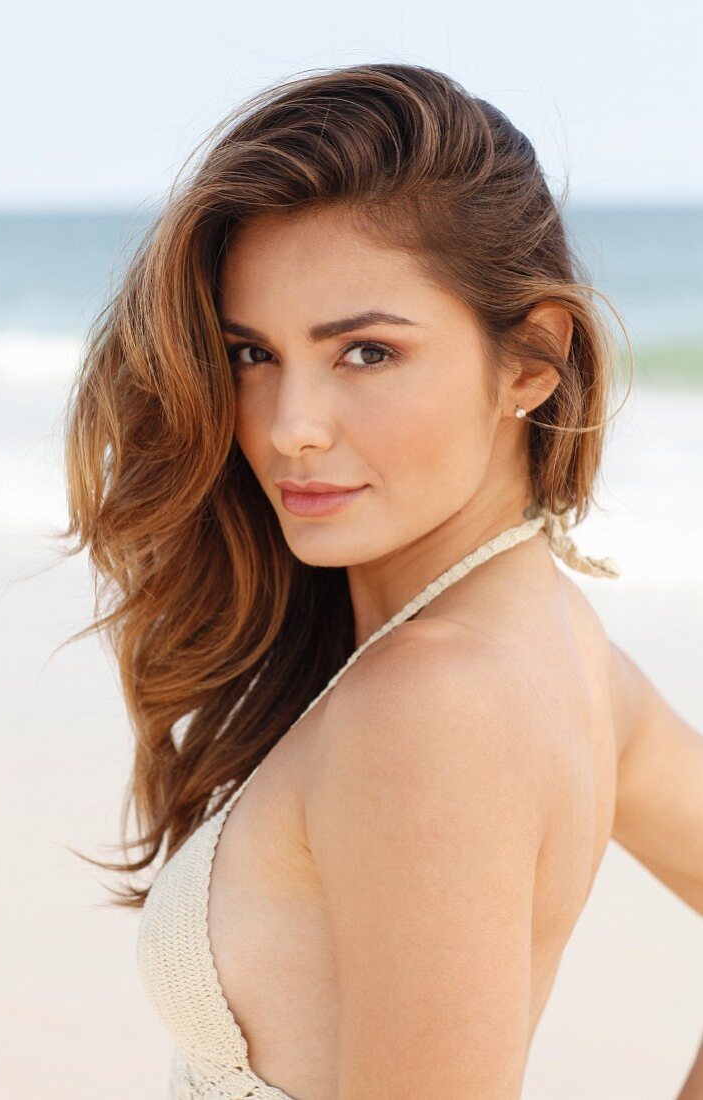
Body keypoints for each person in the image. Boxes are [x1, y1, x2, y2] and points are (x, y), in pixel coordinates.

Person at [58, 62, 703, 1098]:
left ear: (531, 359)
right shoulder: (558, 643)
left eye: (363, 351)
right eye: (249, 352)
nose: (286, 426)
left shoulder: (428, 704)